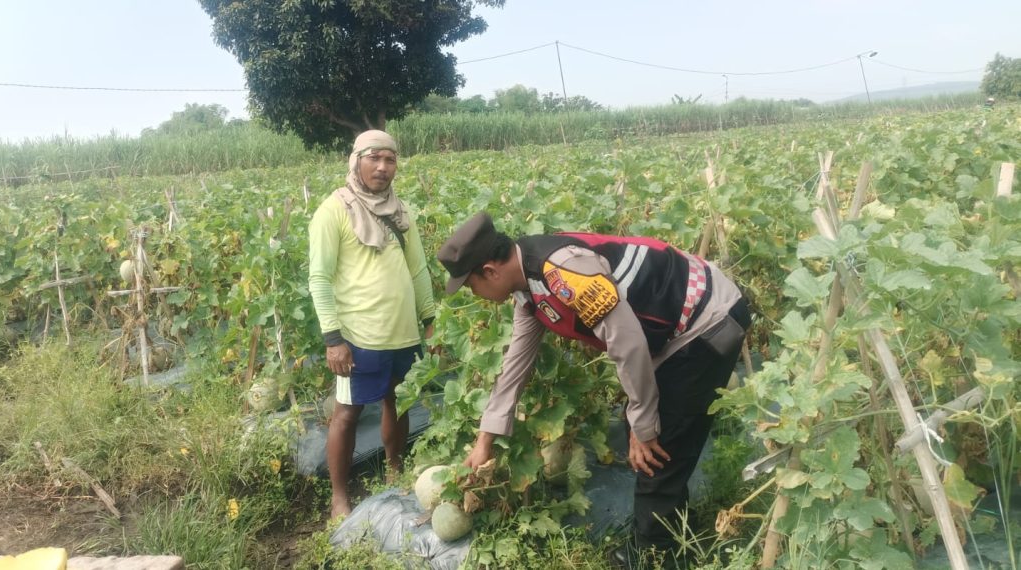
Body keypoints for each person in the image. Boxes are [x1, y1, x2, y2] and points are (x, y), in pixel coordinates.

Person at [437, 212, 751, 560]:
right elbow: (516, 365)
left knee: (658, 443)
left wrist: (644, 425)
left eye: (471, 286)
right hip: (674, 333)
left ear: (490, 271)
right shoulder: (528, 286)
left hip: (708, 320)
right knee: (650, 432)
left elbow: (628, 344)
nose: (475, 294)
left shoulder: (565, 272)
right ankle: (669, 531)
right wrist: (485, 441)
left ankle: (653, 556)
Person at [308, 130, 437, 519]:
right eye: (374, 158)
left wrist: (430, 320)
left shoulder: (401, 211)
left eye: (390, 160)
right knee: (347, 413)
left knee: (398, 403)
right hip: (358, 336)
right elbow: (319, 278)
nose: (382, 167)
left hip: (403, 332)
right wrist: (333, 339)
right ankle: (339, 497)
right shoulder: (334, 210)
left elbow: (418, 269)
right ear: (356, 161)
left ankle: (395, 474)